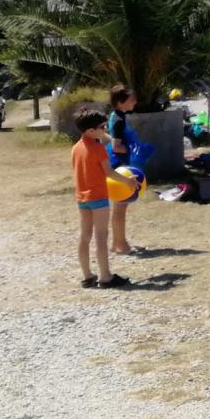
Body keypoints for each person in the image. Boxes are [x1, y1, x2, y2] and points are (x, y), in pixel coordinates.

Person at [72, 110, 138, 288]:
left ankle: (87, 275)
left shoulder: (76, 148)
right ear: (90, 130)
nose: (105, 129)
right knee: (101, 236)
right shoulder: (98, 148)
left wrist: (105, 136)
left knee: (84, 236)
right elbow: (109, 172)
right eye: (102, 127)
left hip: (82, 197)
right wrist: (128, 181)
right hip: (98, 197)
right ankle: (105, 276)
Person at [107, 85, 143, 255]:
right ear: (120, 102)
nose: (135, 102)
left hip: (118, 165)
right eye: (131, 100)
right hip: (119, 166)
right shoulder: (119, 120)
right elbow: (116, 146)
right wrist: (134, 150)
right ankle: (122, 245)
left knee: (118, 207)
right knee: (120, 208)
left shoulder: (117, 116)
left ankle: (117, 243)